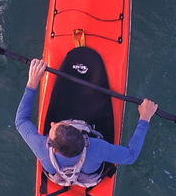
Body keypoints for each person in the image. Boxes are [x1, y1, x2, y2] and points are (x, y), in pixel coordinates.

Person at [15, 58, 158, 187]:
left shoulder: (41, 147)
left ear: (53, 149)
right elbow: (131, 156)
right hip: (91, 176)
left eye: (53, 126)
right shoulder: (97, 147)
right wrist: (144, 118)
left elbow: (21, 121)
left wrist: (32, 82)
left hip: (57, 176)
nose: (52, 123)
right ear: (79, 131)